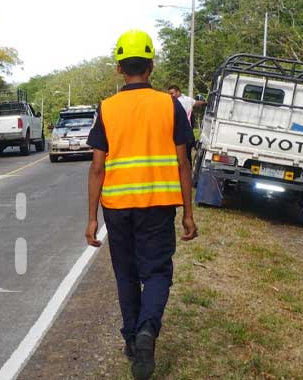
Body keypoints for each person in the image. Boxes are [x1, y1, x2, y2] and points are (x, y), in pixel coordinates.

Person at [86, 29, 198, 380]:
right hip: (158, 204)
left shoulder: (107, 108)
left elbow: (97, 166)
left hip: (117, 207)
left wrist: (91, 219)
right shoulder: (170, 105)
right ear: (151, 65)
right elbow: (183, 162)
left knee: (126, 274)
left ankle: (133, 338)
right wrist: (189, 213)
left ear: (119, 68)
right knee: (158, 271)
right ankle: (148, 330)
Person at [168, 85, 207, 164]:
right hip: (188, 133)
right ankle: (188, 172)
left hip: (179, 132)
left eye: (172, 93)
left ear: (178, 92)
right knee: (187, 157)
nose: (171, 95)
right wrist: (205, 103)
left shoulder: (175, 102)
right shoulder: (187, 99)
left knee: (177, 156)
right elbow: (196, 103)